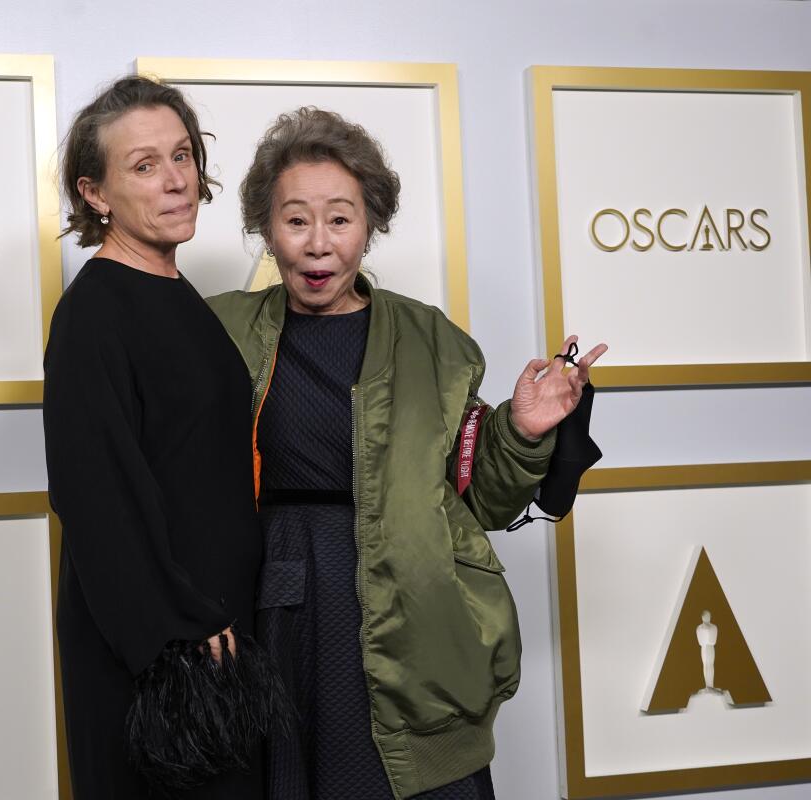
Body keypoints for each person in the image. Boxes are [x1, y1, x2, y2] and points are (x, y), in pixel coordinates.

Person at [208, 107, 607, 800]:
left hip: (413, 605)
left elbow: (482, 498)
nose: (317, 243)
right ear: (267, 229)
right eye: (296, 220)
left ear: (370, 225)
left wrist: (524, 429)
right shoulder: (221, 331)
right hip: (284, 607)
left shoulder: (430, 340)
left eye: (340, 218)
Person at [42, 76, 284, 800]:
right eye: (145, 166)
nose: (177, 180)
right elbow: (95, 495)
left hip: (214, 630)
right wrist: (179, 624)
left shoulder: (177, 296)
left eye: (182, 156)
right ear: (95, 193)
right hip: (158, 650)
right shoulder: (93, 315)